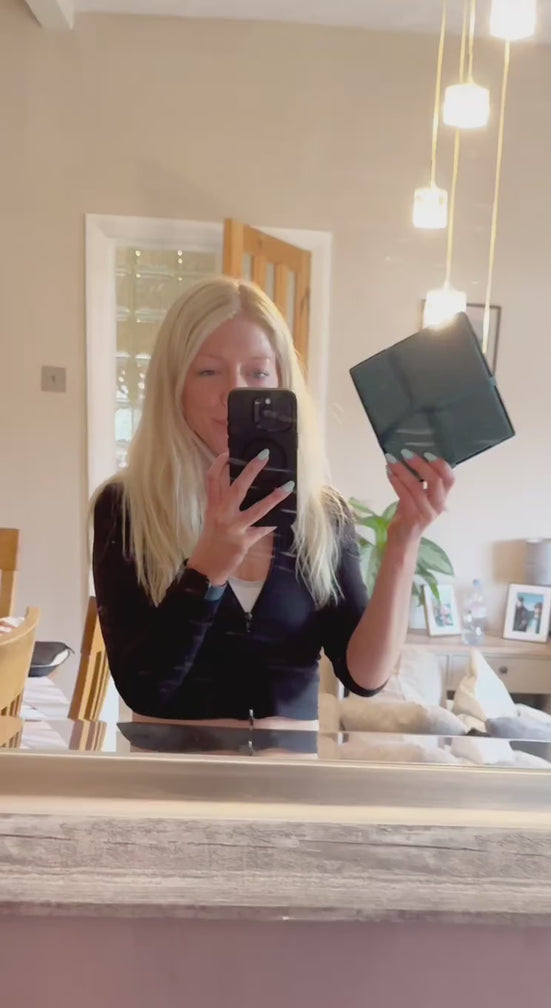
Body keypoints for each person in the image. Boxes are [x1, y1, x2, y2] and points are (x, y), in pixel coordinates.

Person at [92, 277, 454, 729]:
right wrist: (207, 569)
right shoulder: (127, 508)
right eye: (208, 372)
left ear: (283, 382)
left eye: (258, 373)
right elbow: (144, 689)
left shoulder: (322, 515)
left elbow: (365, 676)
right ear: (173, 384)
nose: (234, 392)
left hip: (289, 771)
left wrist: (403, 542)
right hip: (175, 770)